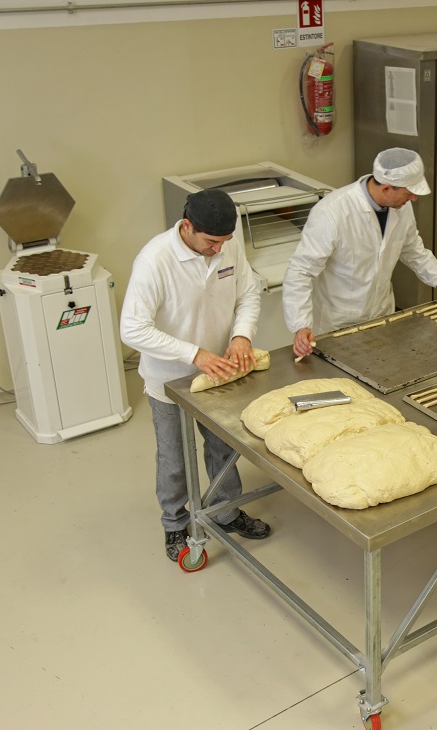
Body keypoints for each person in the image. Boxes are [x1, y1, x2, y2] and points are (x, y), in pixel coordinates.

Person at [120, 189, 271, 563]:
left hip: (220, 371)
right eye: (211, 242)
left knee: (223, 447)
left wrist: (241, 335)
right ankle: (174, 523)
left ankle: (225, 512)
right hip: (170, 377)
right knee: (174, 458)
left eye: (225, 241)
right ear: (187, 226)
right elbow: (132, 329)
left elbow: (248, 294)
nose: (219, 249)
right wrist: (193, 354)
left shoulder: (226, 246)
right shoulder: (155, 260)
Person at [283, 148, 437, 358]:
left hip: (381, 315)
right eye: (409, 193)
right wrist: (301, 324)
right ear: (386, 188)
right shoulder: (331, 213)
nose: (414, 198)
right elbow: (300, 271)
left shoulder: (400, 207)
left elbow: (411, 247)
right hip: (338, 321)